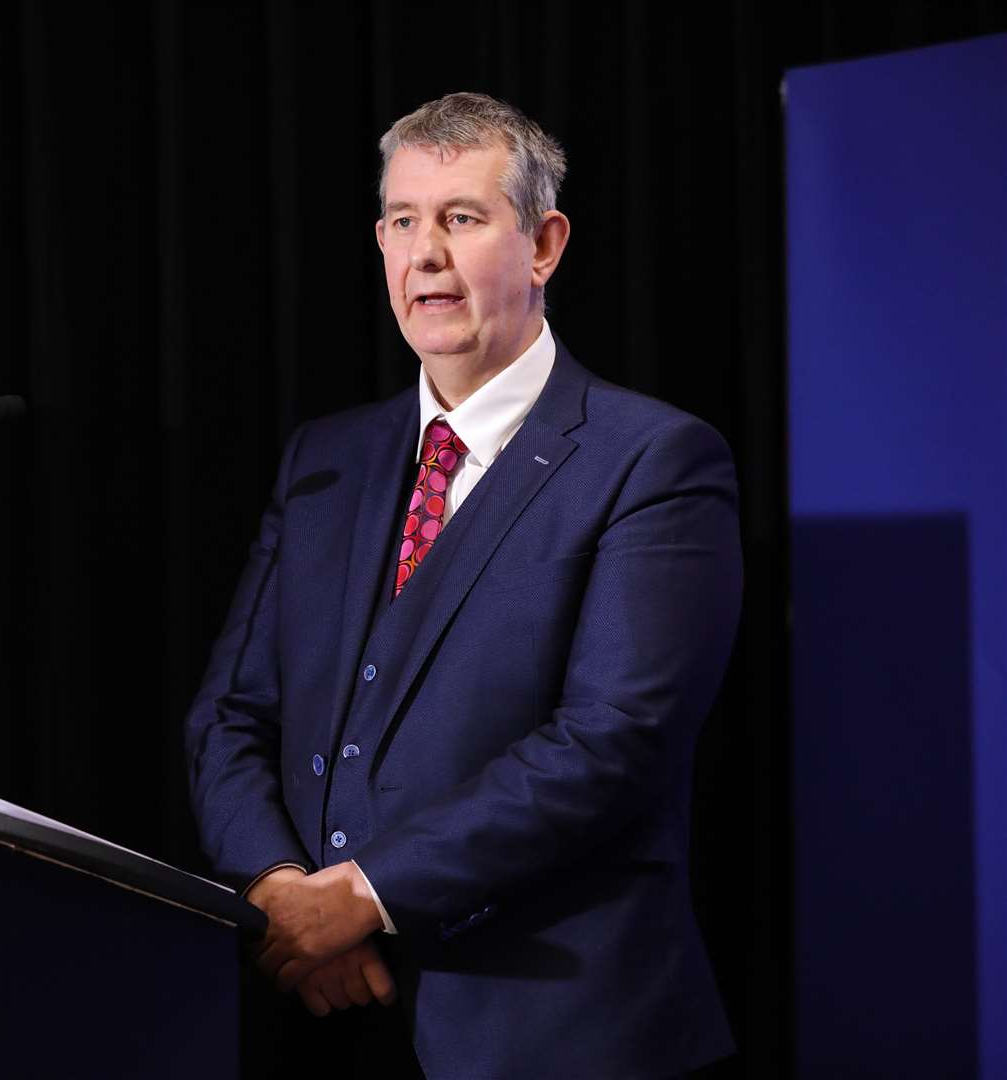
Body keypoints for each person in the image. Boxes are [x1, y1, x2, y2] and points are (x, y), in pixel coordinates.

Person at [184, 92, 740, 1080]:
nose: (424, 252)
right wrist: (280, 895)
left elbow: (614, 741)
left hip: (556, 1038)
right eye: (403, 220)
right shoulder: (327, 459)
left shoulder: (652, 460)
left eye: (462, 217)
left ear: (545, 245)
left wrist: (359, 895)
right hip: (324, 1024)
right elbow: (231, 713)